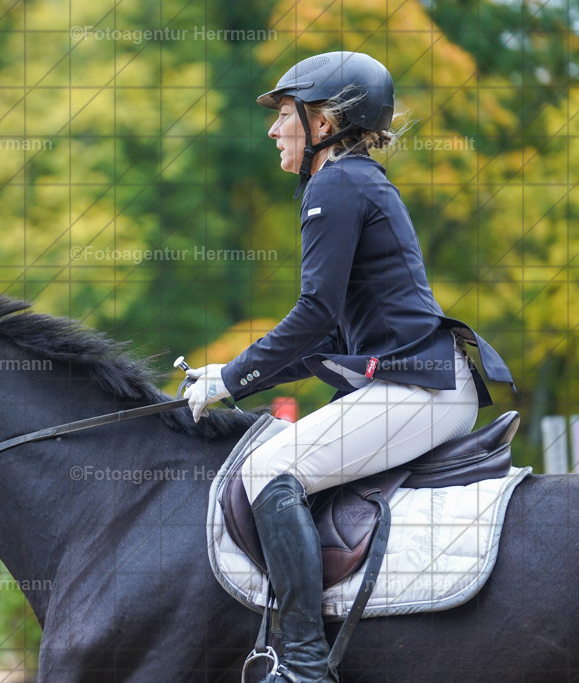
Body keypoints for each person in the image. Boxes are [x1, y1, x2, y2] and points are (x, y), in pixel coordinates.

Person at [184, 51, 515, 682]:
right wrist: (232, 374)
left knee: (267, 472)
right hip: (424, 384)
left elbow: (313, 314)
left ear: (325, 123)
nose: (273, 130)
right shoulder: (353, 181)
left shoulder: (335, 185)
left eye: (285, 114)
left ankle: (305, 667)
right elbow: (331, 333)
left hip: (418, 390)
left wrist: (231, 380)